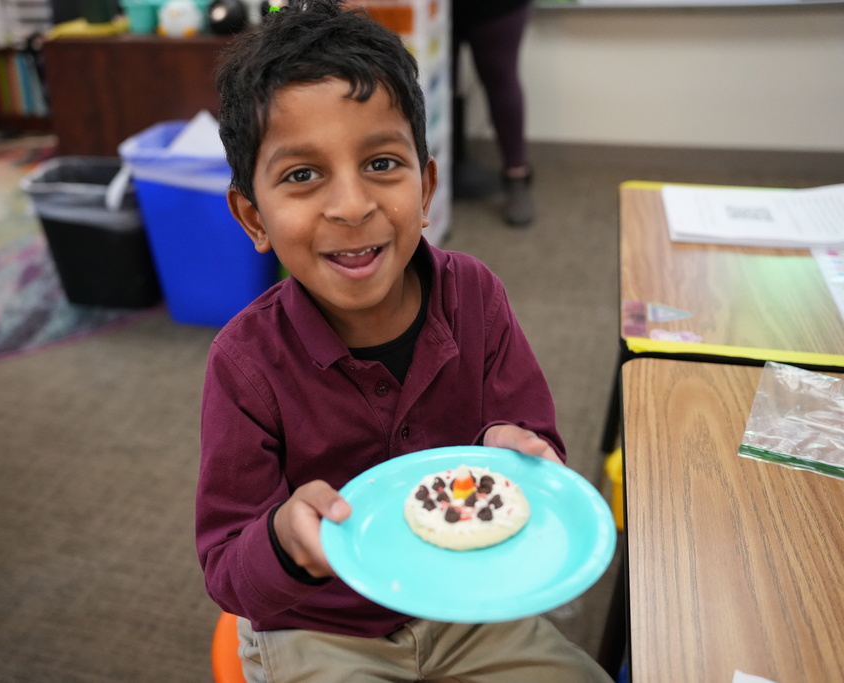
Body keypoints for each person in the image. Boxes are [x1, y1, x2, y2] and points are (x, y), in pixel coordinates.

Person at [195, 2, 612, 681]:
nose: (352, 205)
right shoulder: (245, 362)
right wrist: (284, 540)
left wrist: (521, 451)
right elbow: (227, 565)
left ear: (426, 186)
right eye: (302, 175)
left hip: (465, 606)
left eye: (382, 162)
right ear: (253, 216)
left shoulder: (474, 295)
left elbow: (538, 450)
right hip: (320, 625)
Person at [453, 0, 535, 226]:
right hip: (432, 8)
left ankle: (516, 177)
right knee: (433, 86)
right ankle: (428, 177)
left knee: (501, 79)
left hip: (499, 6)